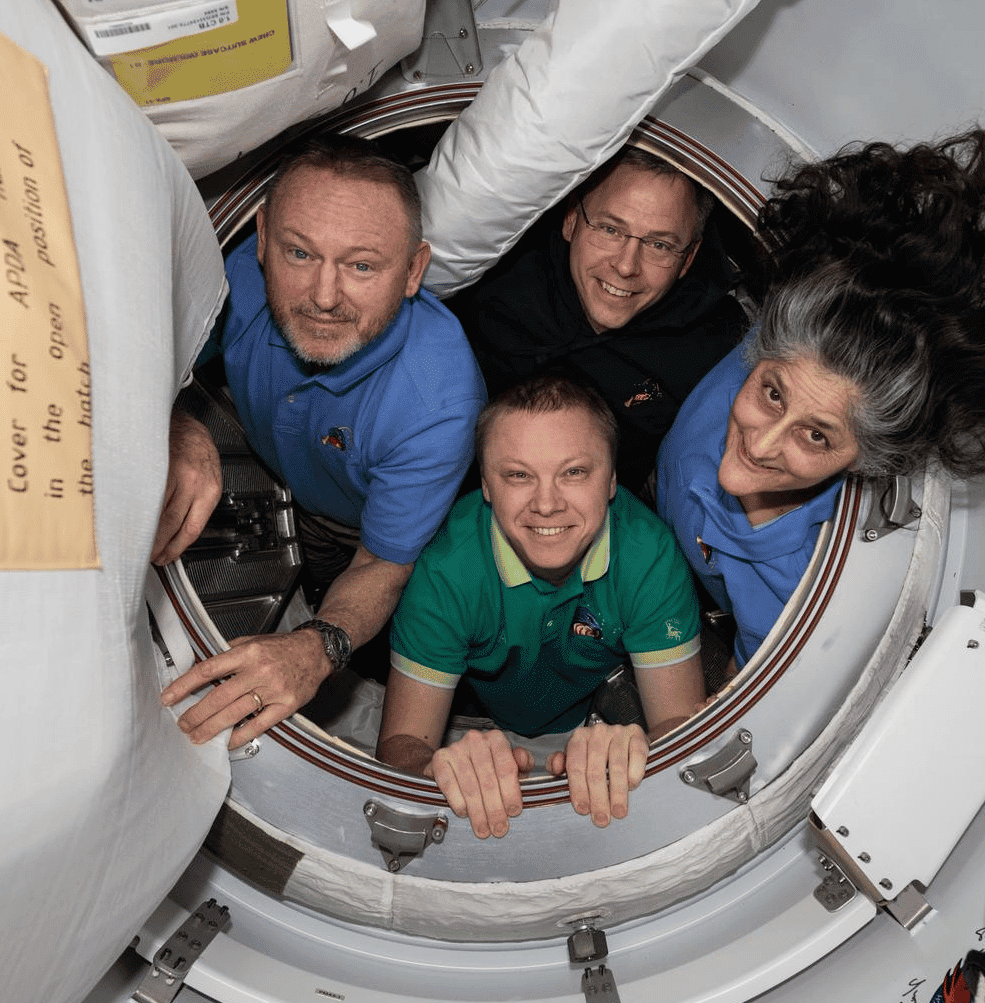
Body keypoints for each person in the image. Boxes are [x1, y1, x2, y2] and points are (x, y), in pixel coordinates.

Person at [657, 130, 985, 669]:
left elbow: (743, 681)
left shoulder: (802, 588)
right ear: (759, 355)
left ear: (866, 459)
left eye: (817, 435)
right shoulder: (780, 355)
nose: (763, 441)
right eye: (772, 394)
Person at [155, 135, 486, 748]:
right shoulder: (239, 281)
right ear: (260, 238)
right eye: (300, 253)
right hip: (267, 464)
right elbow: (173, 352)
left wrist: (316, 647)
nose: (324, 296)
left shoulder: (435, 404)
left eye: (362, 265)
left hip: (355, 529)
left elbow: (383, 564)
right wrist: (185, 421)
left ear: (414, 271)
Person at [377, 377, 705, 839]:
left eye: (574, 473)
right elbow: (400, 745)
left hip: (594, 719)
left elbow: (678, 724)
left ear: (611, 480)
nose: (546, 504)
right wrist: (435, 770)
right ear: (486, 486)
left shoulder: (649, 555)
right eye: (518, 475)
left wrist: (641, 746)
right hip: (477, 723)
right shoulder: (447, 570)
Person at [444, 147, 748, 500]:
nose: (626, 266)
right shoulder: (488, 274)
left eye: (660, 245)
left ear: (688, 259)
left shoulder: (714, 351)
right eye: (610, 229)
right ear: (571, 217)